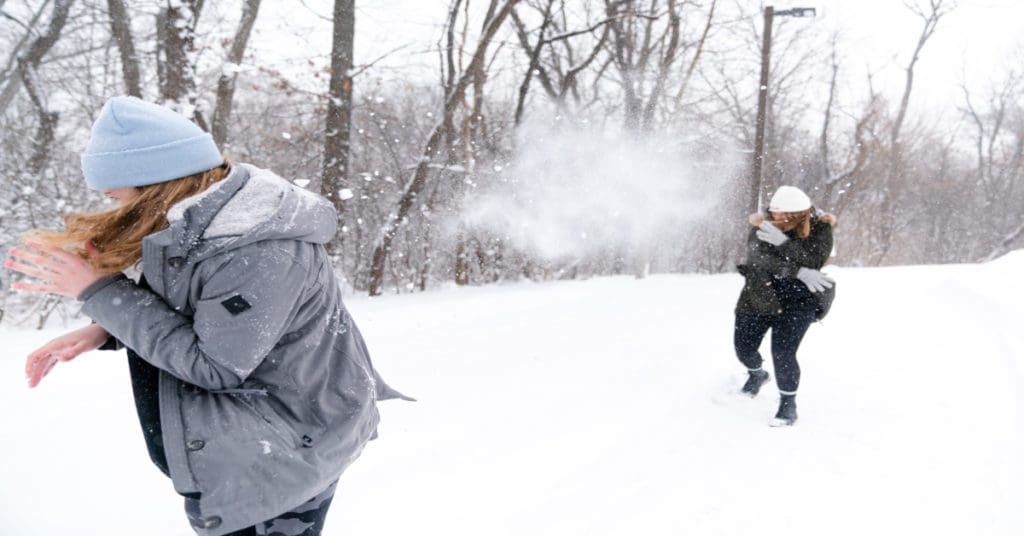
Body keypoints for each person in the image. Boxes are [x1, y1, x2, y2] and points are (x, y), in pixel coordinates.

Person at [4, 96, 409, 535]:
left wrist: (100, 292)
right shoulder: (204, 226)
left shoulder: (255, 251)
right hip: (262, 445)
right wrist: (104, 329)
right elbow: (205, 314)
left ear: (152, 181)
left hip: (277, 460)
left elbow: (215, 365)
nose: (107, 200)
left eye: (114, 190)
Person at [733, 185, 835, 426]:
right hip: (760, 293)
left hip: (799, 301)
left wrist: (784, 244)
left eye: (781, 213)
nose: (774, 216)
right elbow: (759, 260)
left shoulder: (821, 227)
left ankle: (788, 404)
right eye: (773, 211)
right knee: (743, 348)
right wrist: (797, 270)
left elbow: (815, 259)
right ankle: (757, 374)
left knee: (783, 353)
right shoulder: (762, 225)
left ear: (798, 214)